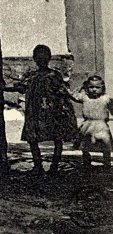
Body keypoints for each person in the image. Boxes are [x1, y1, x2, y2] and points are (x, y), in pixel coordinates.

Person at [20, 44, 78, 175]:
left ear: (49, 58)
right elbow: (21, 87)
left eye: (44, 57)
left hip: (52, 112)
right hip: (35, 113)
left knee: (57, 138)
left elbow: (62, 91)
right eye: (39, 58)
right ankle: (38, 165)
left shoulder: (54, 75)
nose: (42, 60)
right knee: (32, 139)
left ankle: (54, 166)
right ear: (34, 59)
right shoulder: (31, 76)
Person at [71, 75, 113, 169]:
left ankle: (107, 163)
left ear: (103, 87)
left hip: (101, 125)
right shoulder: (85, 98)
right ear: (87, 87)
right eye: (91, 87)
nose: (94, 89)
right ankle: (86, 162)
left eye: (97, 87)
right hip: (87, 125)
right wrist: (81, 87)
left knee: (105, 144)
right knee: (85, 145)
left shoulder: (106, 99)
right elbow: (73, 96)